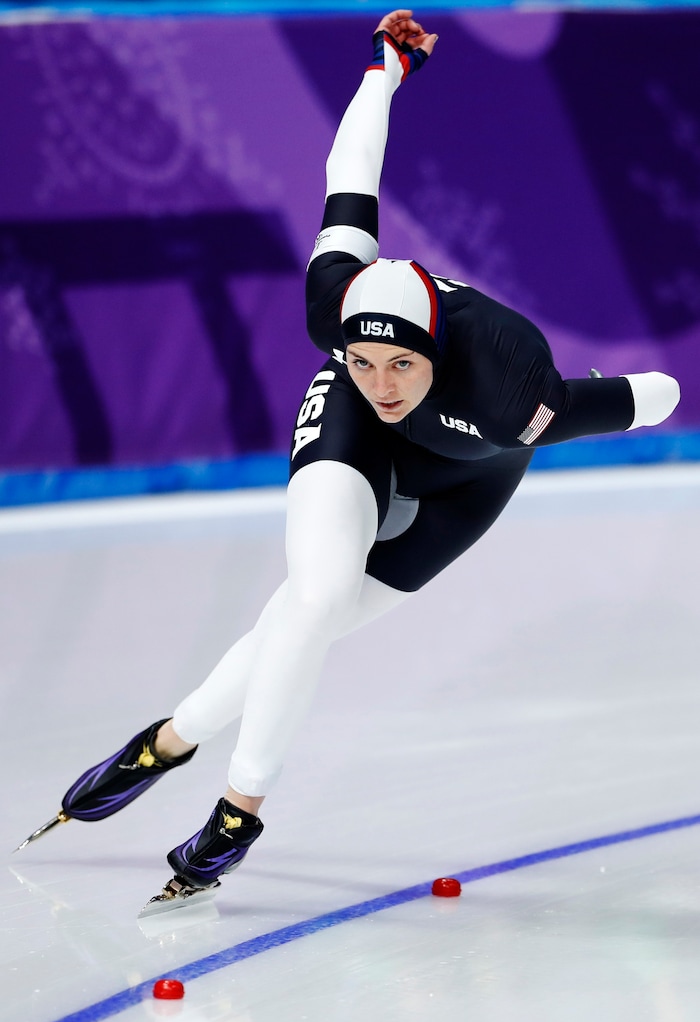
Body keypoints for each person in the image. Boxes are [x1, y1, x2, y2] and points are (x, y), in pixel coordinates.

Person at [17, 10, 680, 912]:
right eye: (363, 360)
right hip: (352, 441)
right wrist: (385, 71)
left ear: (437, 352)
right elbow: (350, 174)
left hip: (470, 476)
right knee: (318, 594)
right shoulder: (337, 313)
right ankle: (238, 814)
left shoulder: (515, 390)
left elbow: (657, 394)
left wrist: (633, 393)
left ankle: (165, 742)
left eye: (401, 364)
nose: (383, 381)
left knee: (308, 621)